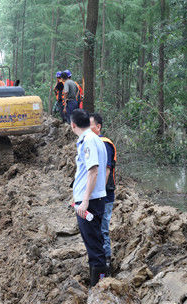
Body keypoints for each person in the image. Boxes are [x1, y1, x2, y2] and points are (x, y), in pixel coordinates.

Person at [70, 109, 109, 286]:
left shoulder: (88, 141)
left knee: (94, 245)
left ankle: (100, 285)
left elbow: (93, 171)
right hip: (93, 199)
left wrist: (84, 200)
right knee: (95, 241)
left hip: (90, 201)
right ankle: (100, 282)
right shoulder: (95, 139)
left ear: (73, 125)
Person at [90, 113, 117, 267]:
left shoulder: (104, 144)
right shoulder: (92, 143)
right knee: (94, 229)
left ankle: (106, 262)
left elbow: (106, 171)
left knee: (102, 229)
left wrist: (99, 193)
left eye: (90, 125)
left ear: (98, 127)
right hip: (96, 194)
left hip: (104, 195)